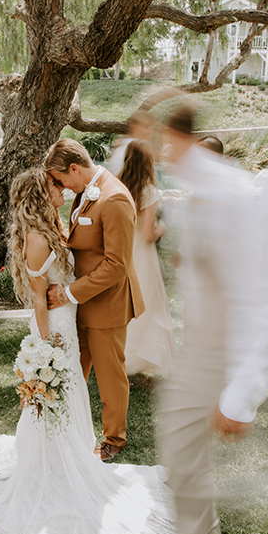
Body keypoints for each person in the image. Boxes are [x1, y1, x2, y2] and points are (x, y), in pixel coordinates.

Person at [0, 167, 180, 534]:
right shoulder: (38, 237)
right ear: (40, 195)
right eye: (55, 186)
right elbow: (39, 303)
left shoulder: (51, 224)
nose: (63, 189)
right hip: (55, 335)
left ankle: (64, 463)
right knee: (57, 403)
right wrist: (47, 350)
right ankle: (51, 472)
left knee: (67, 403)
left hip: (67, 326)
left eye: (62, 182)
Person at [148, 105, 268, 534]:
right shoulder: (200, 188)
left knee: (182, 457)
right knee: (181, 456)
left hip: (220, 352)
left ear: (176, 138)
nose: (158, 153)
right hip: (201, 346)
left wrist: (243, 394)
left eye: (161, 143)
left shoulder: (234, 192)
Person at [43, 139, 144, 462]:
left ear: (74, 168)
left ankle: (114, 438)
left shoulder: (114, 199)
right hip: (81, 302)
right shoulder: (86, 191)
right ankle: (70, 428)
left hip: (107, 304)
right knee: (74, 369)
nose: (61, 187)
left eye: (60, 180)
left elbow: (117, 265)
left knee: (109, 376)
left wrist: (67, 293)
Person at [118, 139, 176, 376]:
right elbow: (148, 234)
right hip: (143, 254)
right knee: (147, 306)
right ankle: (140, 359)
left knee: (125, 304)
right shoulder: (149, 191)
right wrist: (163, 226)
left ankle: (121, 353)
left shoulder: (119, 186)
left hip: (124, 251)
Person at [106, 109, 157, 176]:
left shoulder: (136, 147)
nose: (151, 131)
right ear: (135, 127)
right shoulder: (127, 151)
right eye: (146, 127)